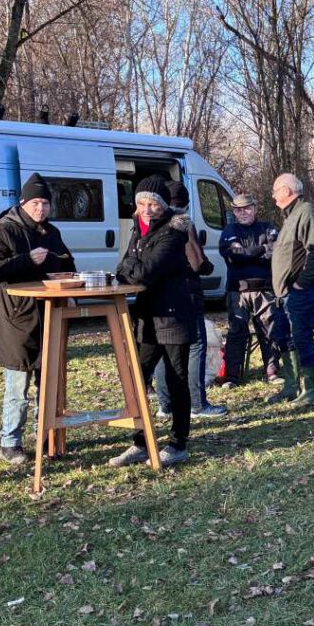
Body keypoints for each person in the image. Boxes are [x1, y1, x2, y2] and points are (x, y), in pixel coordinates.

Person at [0, 173, 76, 465]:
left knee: (48, 384)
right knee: (17, 386)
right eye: (36, 202)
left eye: (46, 203)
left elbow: (66, 262)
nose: (41, 208)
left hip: (50, 316)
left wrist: (69, 277)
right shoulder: (4, 231)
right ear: (23, 203)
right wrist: (25, 260)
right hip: (17, 321)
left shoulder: (52, 232)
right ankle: (10, 443)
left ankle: (46, 437)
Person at [108, 182, 195, 468]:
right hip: (146, 316)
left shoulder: (174, 231)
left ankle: (177, 443)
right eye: (142, 203)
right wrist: (133, 265)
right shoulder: (138, 228)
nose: (146, 210)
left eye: (153, 204)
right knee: (139, 378)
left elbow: (144, 273)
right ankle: (140, 442)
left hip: (173, 316)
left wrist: (133, 266)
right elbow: (122, 268)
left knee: (176, 379)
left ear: (164, 205)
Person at [151, 180, 226, 418]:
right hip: (186, 295)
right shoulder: (182, 222)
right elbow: (197, 262)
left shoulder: (152, 223)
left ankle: (165, 405)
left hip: (160, 297)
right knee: (195, 346)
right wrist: (207, 265)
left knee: (164, 348)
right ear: (185, 203)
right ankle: (197, 405)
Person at [269, 173, 314, 406]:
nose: (273, 196)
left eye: (275, 191)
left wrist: (301, 283)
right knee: (284, 337)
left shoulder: (307, 212)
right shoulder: (291, 215)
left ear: (287, 190)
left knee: (302, 336)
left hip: (301, 291)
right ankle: (292, 387)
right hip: (284, 294)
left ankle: (311, 391)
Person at [218, 193, 286, 386]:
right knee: (237, 331)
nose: (243, 213)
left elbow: (277, 252)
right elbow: (233, 254)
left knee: (269, 330)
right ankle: (231, 377)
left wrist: (251, 252)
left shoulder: (268, 227)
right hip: (237, 291)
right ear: (234, 212)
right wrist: (261, 249)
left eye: (247, 208)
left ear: (255, 208)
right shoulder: (229, 230)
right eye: (238, 210)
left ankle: (272, 371)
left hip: (265, 290)